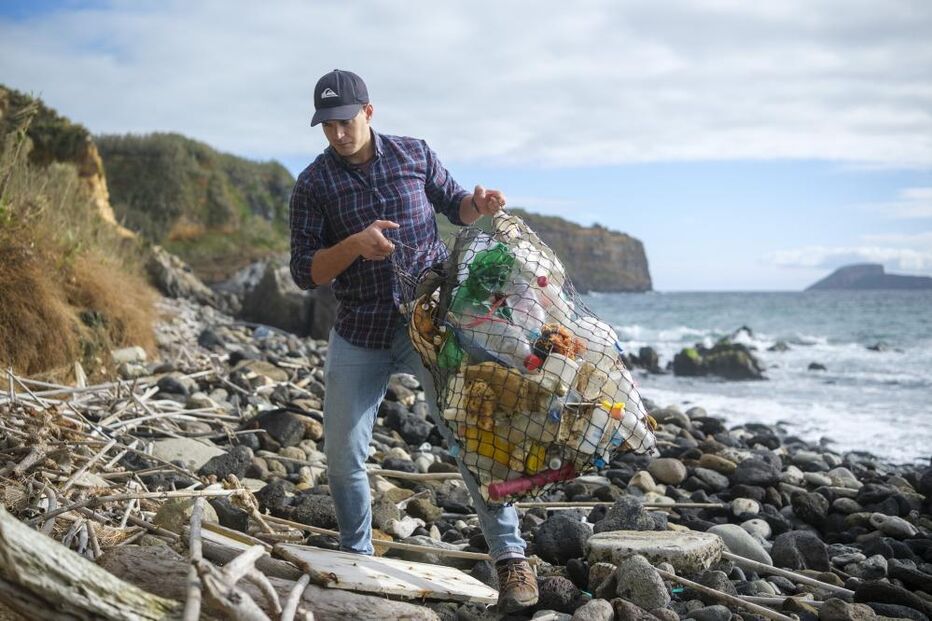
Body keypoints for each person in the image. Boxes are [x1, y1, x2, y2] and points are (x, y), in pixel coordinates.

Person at [289, 69, 539, 613]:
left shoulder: (413, 153)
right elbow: (304, 273)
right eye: (326, 124)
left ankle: (511, 558)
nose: (337, 133)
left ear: (369, 112)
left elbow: (456, 206)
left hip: (430, 324)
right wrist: (354, 245)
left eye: (345, 120)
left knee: (470, 438)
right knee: (342, 455)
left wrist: (481, 204)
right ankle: (355, 557)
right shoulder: (313, 184)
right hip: (360, 331)